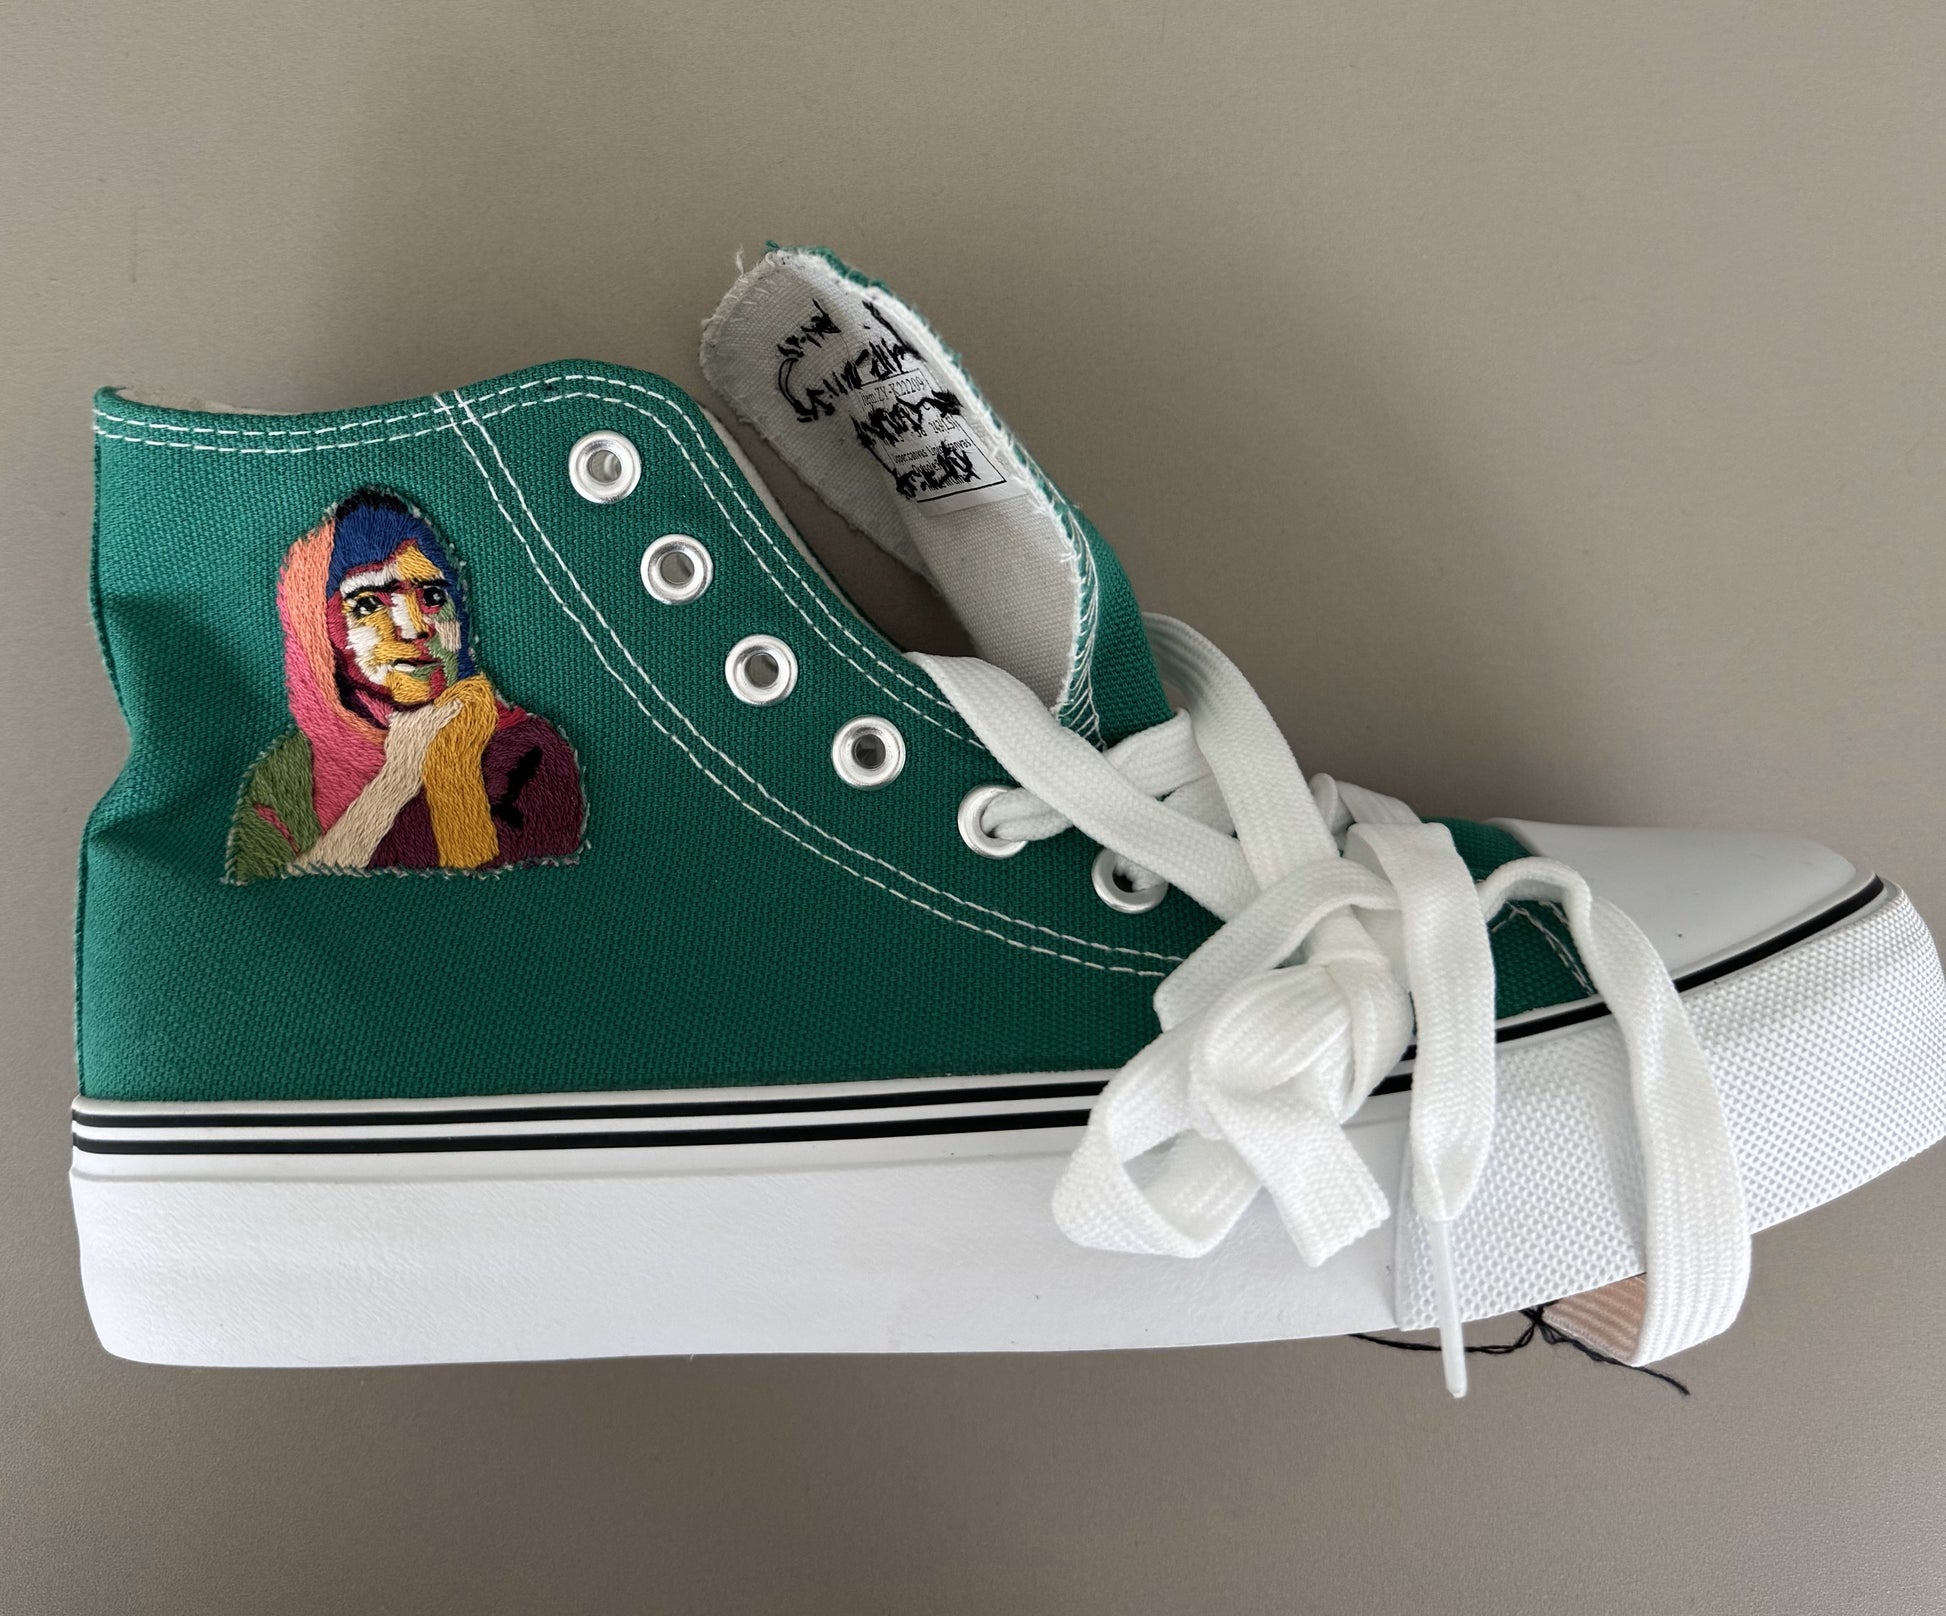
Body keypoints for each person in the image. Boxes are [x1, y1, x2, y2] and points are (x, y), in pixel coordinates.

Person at [227, 488, 584, 882]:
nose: (414, 627)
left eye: (433, 596)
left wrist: (451, 765)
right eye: (368, 604)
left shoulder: (527, 752)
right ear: (318, 630)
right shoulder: (289, 776)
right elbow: (273, 904)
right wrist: (397, 778)